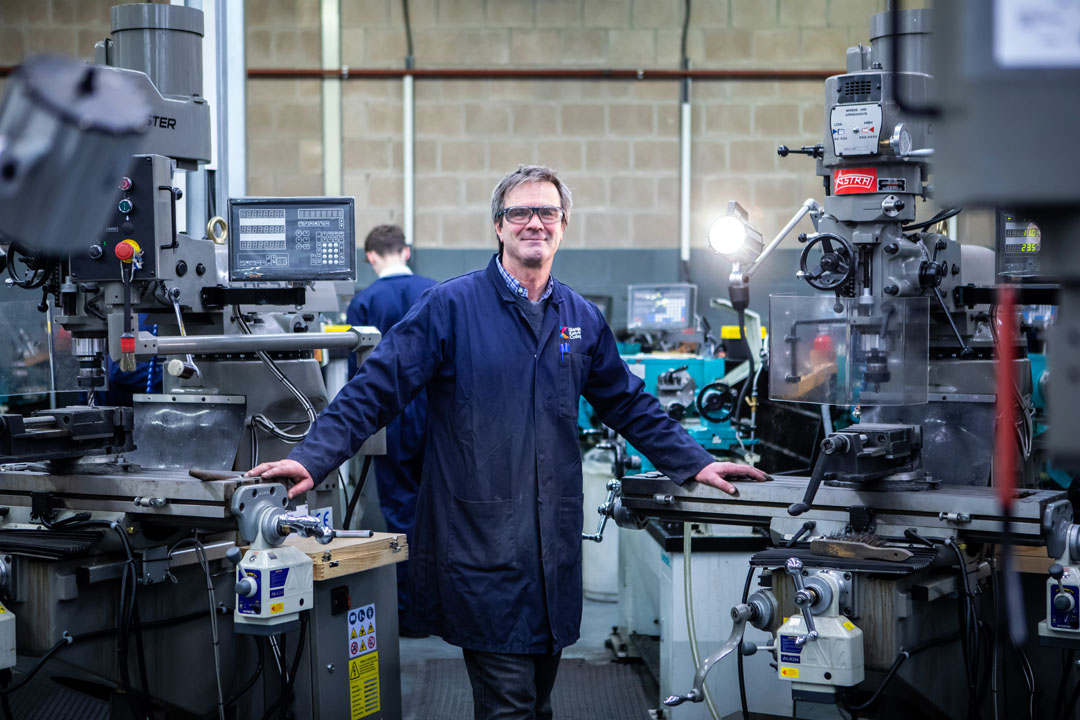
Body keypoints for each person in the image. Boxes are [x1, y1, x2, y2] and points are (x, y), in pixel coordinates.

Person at [249, 165, 768, 720]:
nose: (534, 223)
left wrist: (696, 463)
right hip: (481, 546)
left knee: (536, 700)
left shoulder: (581, 319)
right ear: (498, 227)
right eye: (519, 212)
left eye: (547, 212)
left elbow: (627, 402)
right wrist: (310, 457)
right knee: (510, 705)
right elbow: (374, 389)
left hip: (554, 549)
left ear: (563, 226)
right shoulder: (452, 307)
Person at [346, 224, 436, 637]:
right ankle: (442, 607)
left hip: (393, 419)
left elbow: (360, 379)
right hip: (438, 416)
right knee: (440, 509)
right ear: (407, 251)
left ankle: (410, 615)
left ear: (370, 257)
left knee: (400, 513)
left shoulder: (365, 302)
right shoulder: (439, 291)